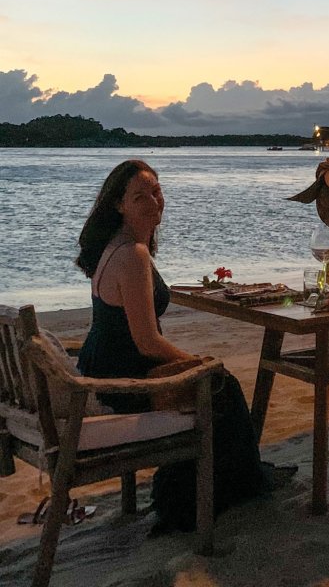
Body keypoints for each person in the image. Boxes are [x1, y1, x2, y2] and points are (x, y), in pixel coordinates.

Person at [76, 159, 278, 533]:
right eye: (140, 196)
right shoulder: (131, 255)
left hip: (101, 362)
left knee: (220, 381)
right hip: (121, 379)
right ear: (118, 204)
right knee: (221, 384)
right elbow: (147, 341)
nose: (154, 202)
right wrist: (199, 361)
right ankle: (197, 496)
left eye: (156, 191)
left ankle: (228, 482)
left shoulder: (121, 244)